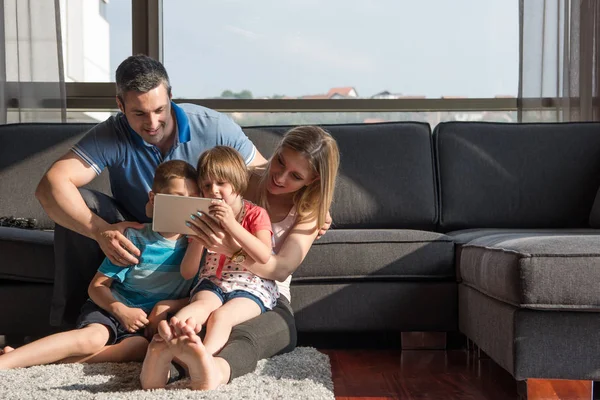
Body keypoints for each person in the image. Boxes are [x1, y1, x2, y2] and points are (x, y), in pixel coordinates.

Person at [35, 54, 268, 327]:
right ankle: (71, 327)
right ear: (120, 105)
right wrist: (99, 231)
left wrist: (307, 209)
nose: (153, 123)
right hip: (136, 229)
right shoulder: (112, 133)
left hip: (199, 234)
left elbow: (264, 179)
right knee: (83, 203)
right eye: (139, 114)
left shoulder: (214, 127)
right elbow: (50, 186)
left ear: (170, 96)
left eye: (160, 110)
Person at [140, 125, 340, 391]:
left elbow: (279, 269)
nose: (279, 177)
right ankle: (161, 365)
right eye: (280, 161)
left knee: (246, 335)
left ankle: (212, 370)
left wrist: (228, 249)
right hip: (214, 282)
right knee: (194, 325)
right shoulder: (233, 180)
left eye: (295, 176)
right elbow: (178, 203)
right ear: (277, 149)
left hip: (265, 294)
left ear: (312, 181)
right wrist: (143, 215)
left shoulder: (310, 210)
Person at [0, 160, 199, 369]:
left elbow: (201, 294)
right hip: (111, 310)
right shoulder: (134, 238)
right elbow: (97, 286)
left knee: (140, 348)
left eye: (192, 200)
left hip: (145, 329)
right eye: (177, 199)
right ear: (154, 199)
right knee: (92, 339)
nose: (184, 207)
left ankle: (31, 359)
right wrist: (121, 310)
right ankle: (8, 361)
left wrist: (167, 307)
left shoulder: (199, 246)